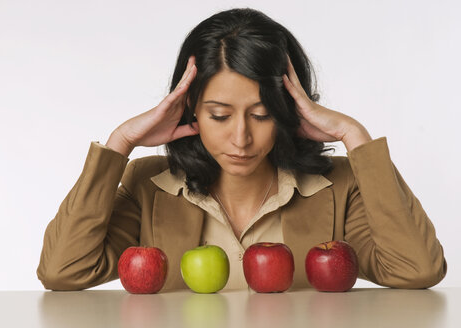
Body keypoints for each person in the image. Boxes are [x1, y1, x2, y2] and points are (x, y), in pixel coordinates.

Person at [36, 8, 447, 292]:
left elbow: (417, 270)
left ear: (288, 111)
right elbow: (63, 271)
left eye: (263, 114)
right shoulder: (149, 186)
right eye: (219, 116)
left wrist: (352, 133)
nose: (241, 139)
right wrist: (120, 142)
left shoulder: (338, 186)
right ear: (189, 108)